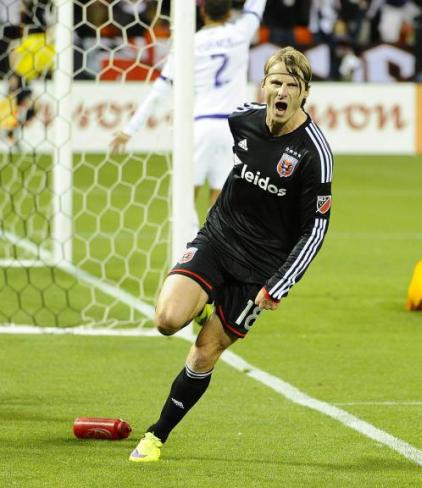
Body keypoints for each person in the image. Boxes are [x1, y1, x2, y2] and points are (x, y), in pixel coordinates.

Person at [128, 47, 333, 462]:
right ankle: (206, 302)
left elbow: (316, 229)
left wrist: (280, 283)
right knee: (167, 321)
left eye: (291, 85)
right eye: (275, 81)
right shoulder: (242, 118)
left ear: (304, 93)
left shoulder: (314, 155)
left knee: (206, 350)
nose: (282, 90)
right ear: (263, 86)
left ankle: (156, 436)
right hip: (218, 239)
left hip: (260, 269)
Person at [110, 0, 267, 225]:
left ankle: (190, 251)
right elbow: (256, 7)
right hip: (235, 128)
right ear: (230, 13)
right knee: (222, 200)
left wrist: (129, 129)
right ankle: (214, 253)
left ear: (202, 12)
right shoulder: (240, 32)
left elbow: (160, 90)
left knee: (185, 198)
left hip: (200, 125)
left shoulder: (189, 44)